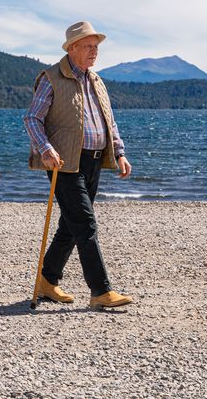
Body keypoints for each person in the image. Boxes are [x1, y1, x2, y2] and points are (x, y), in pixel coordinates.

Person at [24, 20, 133, 310]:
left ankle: (47, 280)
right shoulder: (51, 78)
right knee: (85, 224)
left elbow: (109, 121)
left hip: (94, 160)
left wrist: (119, 153)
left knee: (70, 226)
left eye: (96, 46)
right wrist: (45, 149)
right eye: (88, 46)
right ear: (72, 48)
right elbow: (32, 118)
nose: (94, 51)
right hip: (63, 162)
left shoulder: (96, 81)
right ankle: (101, 290)